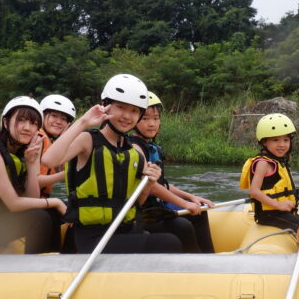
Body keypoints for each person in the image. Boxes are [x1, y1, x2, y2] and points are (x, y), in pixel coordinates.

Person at [41, 74, 182, 254]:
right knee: (169, 243)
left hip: (125, 230)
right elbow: (49, 160)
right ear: (106, 105)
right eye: (120, 107)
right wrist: (83, 122)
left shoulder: (135, 152)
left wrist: (149, 184)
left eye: (134, 111)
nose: (126, 116)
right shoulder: (88, 140)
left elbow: (137, 201)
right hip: (92, 237)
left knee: (174, 236)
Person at [0, 96, 66, 253]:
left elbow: (32, 199)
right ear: (6, 122)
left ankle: (55, 263)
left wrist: (32, 162)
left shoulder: (19, 153)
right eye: (21, 120)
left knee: (50, 213)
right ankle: (36, 270)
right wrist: (55, 201)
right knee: (38, 218)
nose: (27, 127)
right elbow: (13, 204)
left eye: (34, 123)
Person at [129, 91, 215, 253]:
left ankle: (210, 257)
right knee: (182, 226)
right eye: (145, 118)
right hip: (141, 212)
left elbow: (162, 184)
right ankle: (197, 264)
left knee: (200, 211)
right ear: (134, 120)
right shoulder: (134, 148)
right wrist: (184, 204)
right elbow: (152, 187)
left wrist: (191, 197)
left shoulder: (152, 148)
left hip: (156, 207)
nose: (151, 124)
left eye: (156, 118)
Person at [239, 113, 299, 232]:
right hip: (269, 215)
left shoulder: (280, 161)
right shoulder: (263, 163)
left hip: (280, 213)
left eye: (286, 140)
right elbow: (254, 191)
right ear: (264, 142)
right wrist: (279, 205)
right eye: (276, 140)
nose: (282, 145)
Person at [38, 94, 76, 197]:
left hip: (41, 199)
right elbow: (33, 182)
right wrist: (67, 173)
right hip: (31, 203)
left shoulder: (52, 142)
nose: (59, 122)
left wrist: (65, 140)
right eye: (54, 116)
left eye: (63, 119)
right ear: (42, 116)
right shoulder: (38, 139)